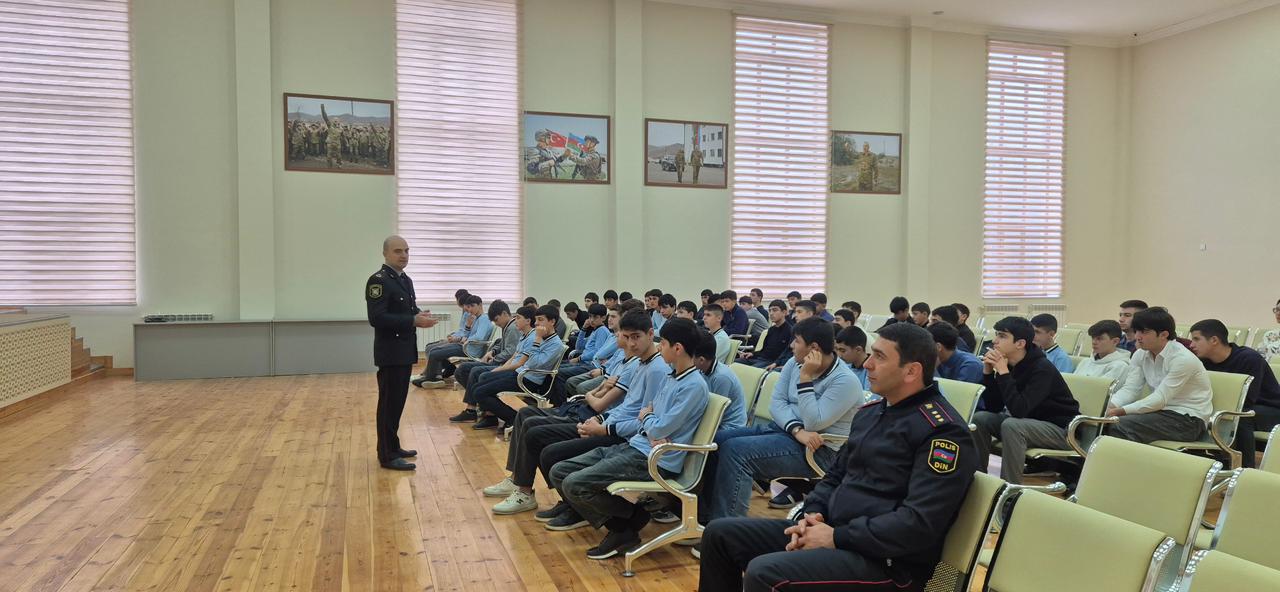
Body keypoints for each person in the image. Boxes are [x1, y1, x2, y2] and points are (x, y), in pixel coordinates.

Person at [697, 323, 977, 592]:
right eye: (871, 354)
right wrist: (811, 514)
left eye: (879, 357)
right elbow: (835, 476)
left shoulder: (942, 432)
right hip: (838, 534)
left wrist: (836, 537)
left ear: (911, 371)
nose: (867, 364)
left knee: (765, 572)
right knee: (720, 535)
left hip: (888, 563)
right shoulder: (871, 414)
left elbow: (918, 523)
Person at [549, 319, 708, 559]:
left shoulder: (693, 386)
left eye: (663, 343)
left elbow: (657, 425)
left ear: (677, 348)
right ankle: (632, 517)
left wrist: (649, 419)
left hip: (655, 459)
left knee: (574, 484)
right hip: (636, 446)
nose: (659, 347)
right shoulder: (672, 376)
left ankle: (622, 530)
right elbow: (650, 418)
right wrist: (650, 420)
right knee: (559, 471)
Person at [697, 319, 862, 531]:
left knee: (737, 452)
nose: (791, 345)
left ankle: (727, 530)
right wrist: (797, 429)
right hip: (788, 432)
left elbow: (814, 421)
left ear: (814, 348)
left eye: (797, 341)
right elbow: (776, 404)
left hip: (819, 450)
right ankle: (705, 517)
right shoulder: (794, 362)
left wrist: (805, 378)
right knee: (716, 441)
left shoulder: (845, 380)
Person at [973, 317, 1079, 484]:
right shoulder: (1009, 364)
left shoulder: (1042, 368)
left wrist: (1003, 373)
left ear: (1020, 343)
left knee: (1012, 425)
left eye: (1002, 336)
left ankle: (1009, 488)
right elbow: (994, 407)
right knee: (980, 419)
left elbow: (1019, 410)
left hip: (1061, 430)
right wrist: (988, 373)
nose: (994, 341)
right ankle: (978, 479)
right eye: (996, 335)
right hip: (1028, 424)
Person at [366, 236, 437, 470]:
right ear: (385, 253)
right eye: (398, 251)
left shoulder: (405, 280)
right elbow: (377, 318)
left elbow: (408, 310)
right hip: (390, 352)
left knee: (397, 403)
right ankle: (386, 455)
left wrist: (419, 315)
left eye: (406, 250)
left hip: (404, 351)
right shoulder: (378, 281)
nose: (404, 255)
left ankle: (393, 445)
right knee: (388, 404)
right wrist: (412, 320)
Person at [1106, 307, 1213, 444]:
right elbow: (1130, 389)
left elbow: (1160, 399)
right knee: (1100, 421)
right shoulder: (1140, 354)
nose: (1138, 336)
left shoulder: (1182, 359)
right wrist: (1107, 407)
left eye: (1144, 332)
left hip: (1188, 420)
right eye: (1137, 331)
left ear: (1163, 334)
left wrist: (1118, 411)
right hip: (1159, 413)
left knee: (1117, 425)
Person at [1190, 319, 1280, 468]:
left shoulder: (1249, 358)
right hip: (1240, 408)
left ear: (1214, 340)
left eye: (1196, 339)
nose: (1191, 345)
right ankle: (1210, 463)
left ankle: (1244, 469)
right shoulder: (1203, 362)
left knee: (1240, 417)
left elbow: (1247, 400)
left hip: (1271, 410)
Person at [470, 305, 566, 430]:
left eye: (540, 319)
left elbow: (532, 363)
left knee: (479, 392)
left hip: (528, 380)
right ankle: (497, 417)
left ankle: (514, 419)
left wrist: (537, 339)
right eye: (536, 319)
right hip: (519, 374)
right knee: (478, 386)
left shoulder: (555, 344)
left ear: (552, 321)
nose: (536, 323)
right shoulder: (542, 337)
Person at [449, 304, 532, 424]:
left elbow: (510, 352)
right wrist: (492, 351)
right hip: (503, 362)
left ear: (504, 314)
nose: (496, 323)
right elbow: (502, 343)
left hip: (505, 365)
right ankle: (483, 405)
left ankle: (477, 410)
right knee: (462, 370)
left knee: (474, 371)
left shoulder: (513, 328)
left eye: (496, 320)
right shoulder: (508, 326)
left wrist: (494, 359)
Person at [694, 330, 748, 431]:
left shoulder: (721, 377)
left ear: (701, 360)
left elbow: (715, 413)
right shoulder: (701, 369)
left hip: (730, 427)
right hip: (715, 420)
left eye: (689, 356)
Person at [738, 299, 793, 369]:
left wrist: (776, 363)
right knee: (736, 363)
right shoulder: (771, 329)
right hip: (760, 358)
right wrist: (752, 353)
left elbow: (787, 353)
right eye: (770, 310)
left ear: (784, 312)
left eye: (775, 310)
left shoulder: (790, 331)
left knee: (750, 370)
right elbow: (764, 350)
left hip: (772, 361)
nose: (771, 313)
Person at [835, 326, 872, 391]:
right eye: (837, 349)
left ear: (858, 350)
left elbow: (869, 395)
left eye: (843, 351)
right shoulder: (845, 365)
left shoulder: (872, 370)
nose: (839, 355)